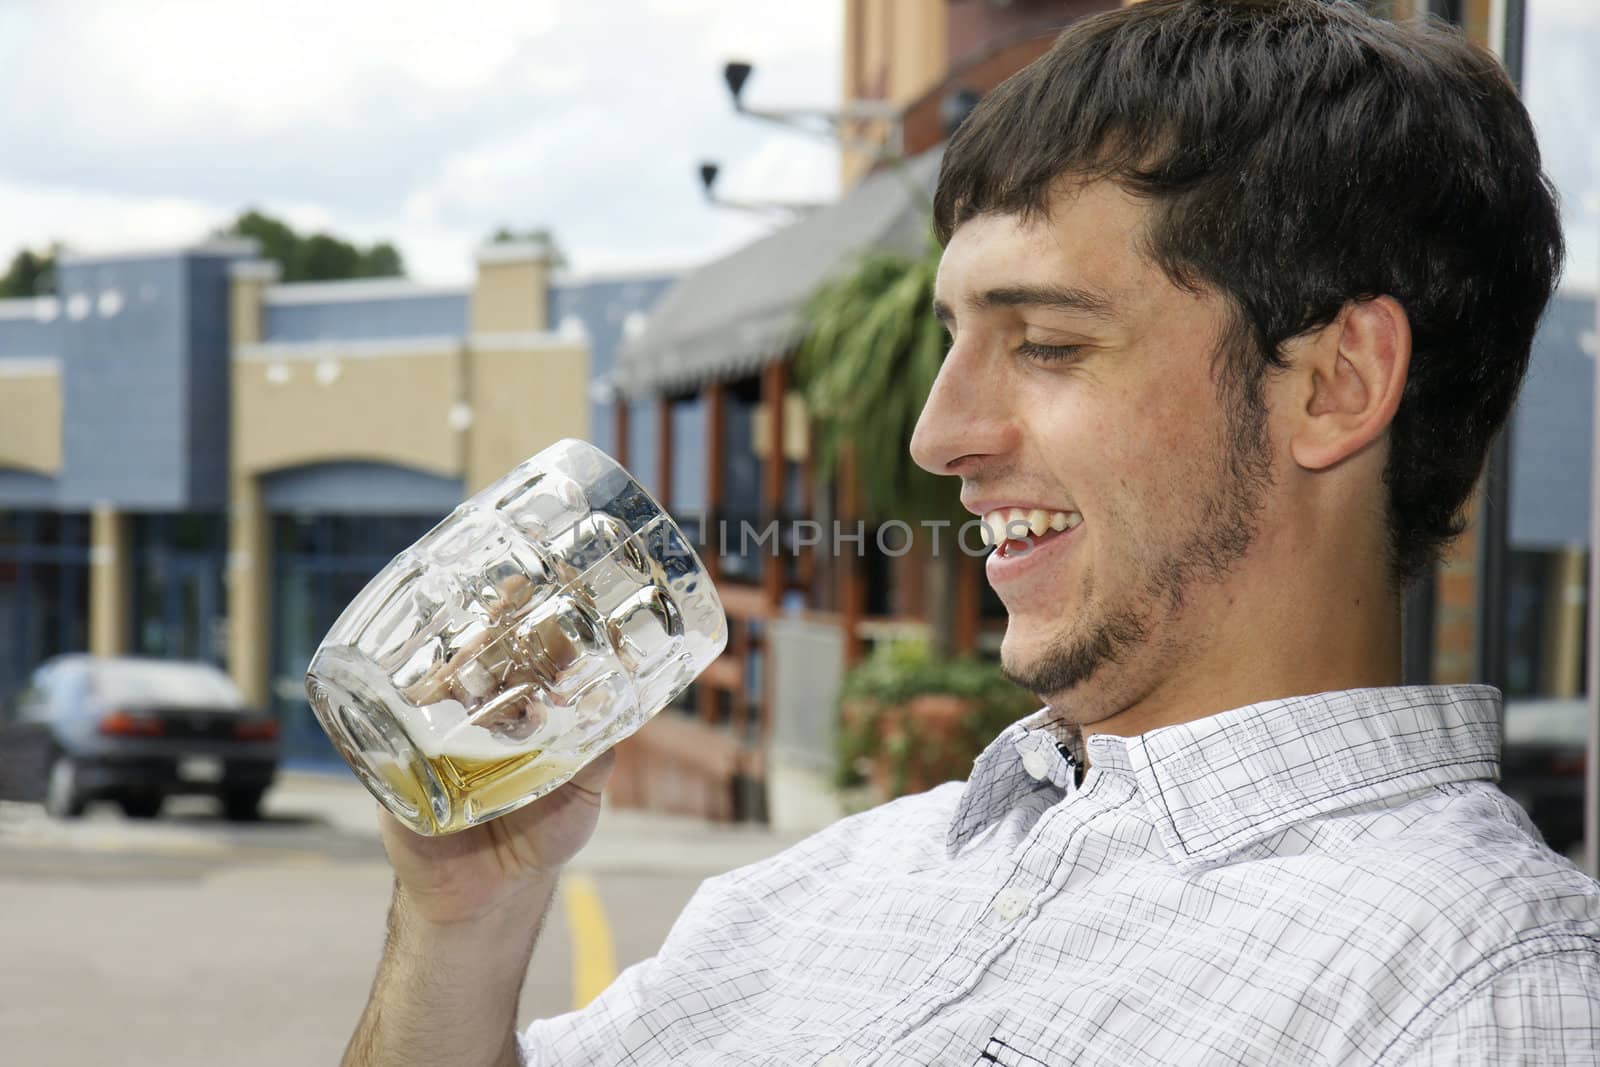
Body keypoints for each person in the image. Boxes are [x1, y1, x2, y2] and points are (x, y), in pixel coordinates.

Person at [343, 1, 1600, 1063]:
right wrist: (464, 922)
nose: (937, 434)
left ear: (1331, 384)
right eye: (953, 339)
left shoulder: (1483, 988)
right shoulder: (823, 885)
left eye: (1047, 342)